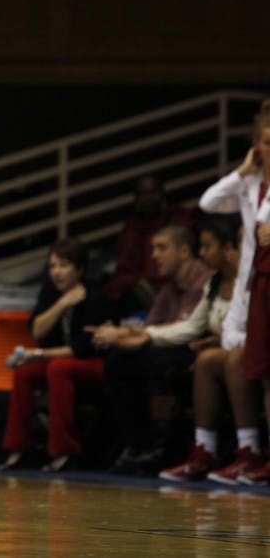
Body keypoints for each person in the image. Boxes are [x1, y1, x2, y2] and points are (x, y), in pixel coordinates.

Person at [93, 225, 213, 474]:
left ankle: (163, 446)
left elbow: (188, 328)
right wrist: (123, 333)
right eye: (153, 249)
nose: (154, 255)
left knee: (156, 362)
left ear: (183, 251)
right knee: (118, 359)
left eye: (161, 248)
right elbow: (149, 326)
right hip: (167, 347)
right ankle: (136, 444)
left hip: (197, 349)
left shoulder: (203, 278)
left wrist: (133, 335)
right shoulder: (169, 287)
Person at [155, 215, 263, 483]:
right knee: (206, 360)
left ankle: (252, 451)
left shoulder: (257, 278)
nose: (202, 253)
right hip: (235, 346)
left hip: (252, 348)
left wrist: (225, 338)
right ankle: (205, 451)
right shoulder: (214, 282)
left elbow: (256, 322)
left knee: (234, 357)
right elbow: (195, 326)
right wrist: (145, 334)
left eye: (208, 246)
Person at [0, 239, 115, 472]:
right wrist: (61, 304)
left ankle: (63, 451)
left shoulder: (95, 296)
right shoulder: (51, 293)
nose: (56, 272)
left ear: (80, 269)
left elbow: (82, 348)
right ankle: (18, 448)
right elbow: (37, 329)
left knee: (58, 367)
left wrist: (39, 353)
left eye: (63, 266)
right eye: (52, 266)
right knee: (25, 372)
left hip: (97, 364)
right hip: (61, 362)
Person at [201, 101, 270, 485]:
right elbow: (208, 203)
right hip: (257, 285)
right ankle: (248, 452)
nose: (268, 149)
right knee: (252, 368)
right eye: (264, 141)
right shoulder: (250, 183)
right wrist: (242, 171)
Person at [105, 175, 196, 315]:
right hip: (147, 294)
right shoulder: (132, 229)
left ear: (162, 195)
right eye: (143, 194)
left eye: (153, 193)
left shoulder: (180, 219)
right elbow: (125, 271)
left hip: (182, 283)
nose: (148, 199)